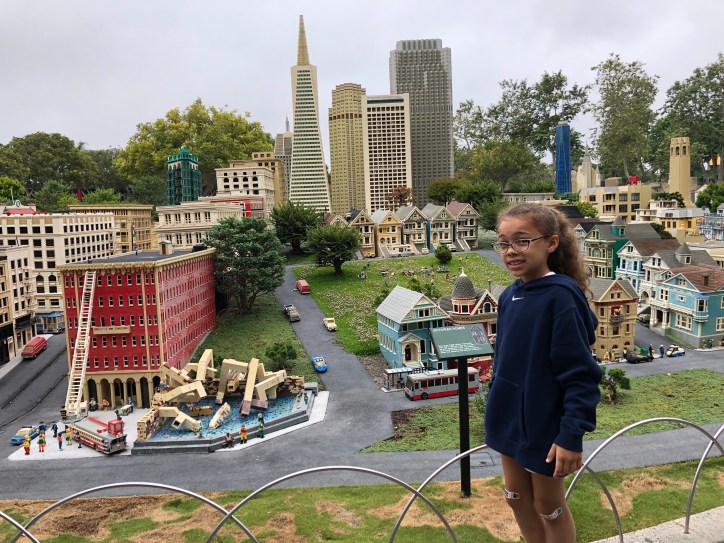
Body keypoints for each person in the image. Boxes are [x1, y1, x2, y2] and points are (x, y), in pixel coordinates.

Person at [485, 204, 602, 543]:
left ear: (551, 243)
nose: (511, 251)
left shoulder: (560, 297)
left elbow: (580, 374)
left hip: (545, 425)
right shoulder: (510, 295)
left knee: (549, 505)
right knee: (515, 496)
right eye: (503, 243)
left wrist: (571, 434)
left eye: (522, 241)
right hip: (509, 418)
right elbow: (505, 359)